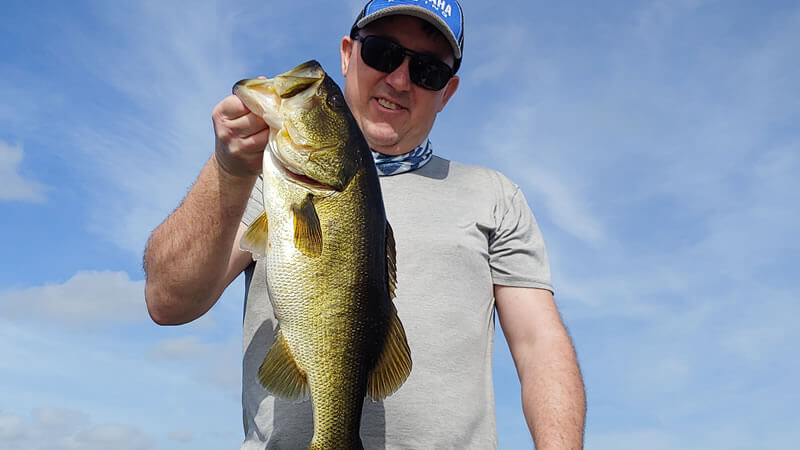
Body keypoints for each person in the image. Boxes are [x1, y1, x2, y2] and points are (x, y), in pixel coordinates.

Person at [143, 0, 586, 448]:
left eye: (428, 70)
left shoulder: (497, 197)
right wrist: (229, 171)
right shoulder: (261, 183)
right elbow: (168, 302)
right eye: (382, 52)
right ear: (347, 54)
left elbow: (538, 345)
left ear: (447, 92)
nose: (399, 80)